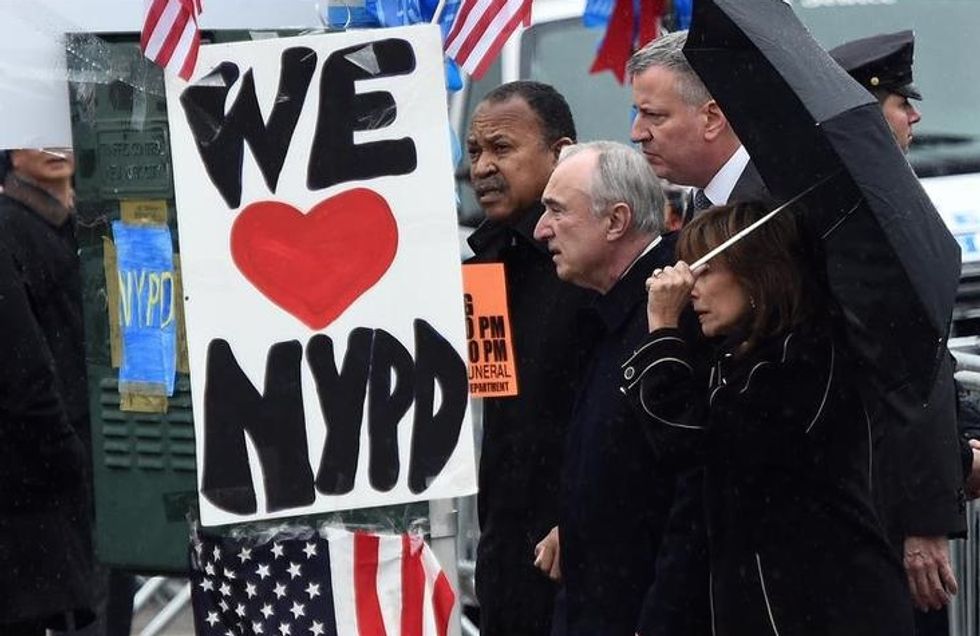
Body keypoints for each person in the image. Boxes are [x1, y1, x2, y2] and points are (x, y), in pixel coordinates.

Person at [627, 201, 915, 635]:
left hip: (824, 605)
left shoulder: (801, 359)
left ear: (755, 272)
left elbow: (686, 438)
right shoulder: (740, 356)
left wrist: (663, 327)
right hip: (772, 603)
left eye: (705, 270)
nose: (691, 288)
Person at [532, 141, 709, 636]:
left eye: (556, 211)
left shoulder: (674, 311)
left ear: (615, 221)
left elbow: (687, 488)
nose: (541, 229)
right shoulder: (609, 309)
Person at [831, 30, 974, 628]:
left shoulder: (888, 200)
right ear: (868, 112)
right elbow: (906, 371)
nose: (915, 114)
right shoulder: (863, 218)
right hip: (873, 503)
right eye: (899, 100)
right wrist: (923, 516)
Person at [465, 81, 596, 636]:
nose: (484, 167)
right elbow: (495, 395)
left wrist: (581, 518)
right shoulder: (485, 258)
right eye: (474, 152)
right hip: (504, 542)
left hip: (577, 543)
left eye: (503, 148)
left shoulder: (591, 262)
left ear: (561, 152)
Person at [0, 148, 99, 635]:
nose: (54, 148)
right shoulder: (10, 228)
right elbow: (25, 377)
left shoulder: (85, 223)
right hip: (40, 496)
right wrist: (69, 458)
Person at [627, 30, 772, 218]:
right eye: (637, 112)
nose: (636, 134)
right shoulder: (698, 203)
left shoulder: (777, 212)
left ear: (712, 119)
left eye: (653, 114)